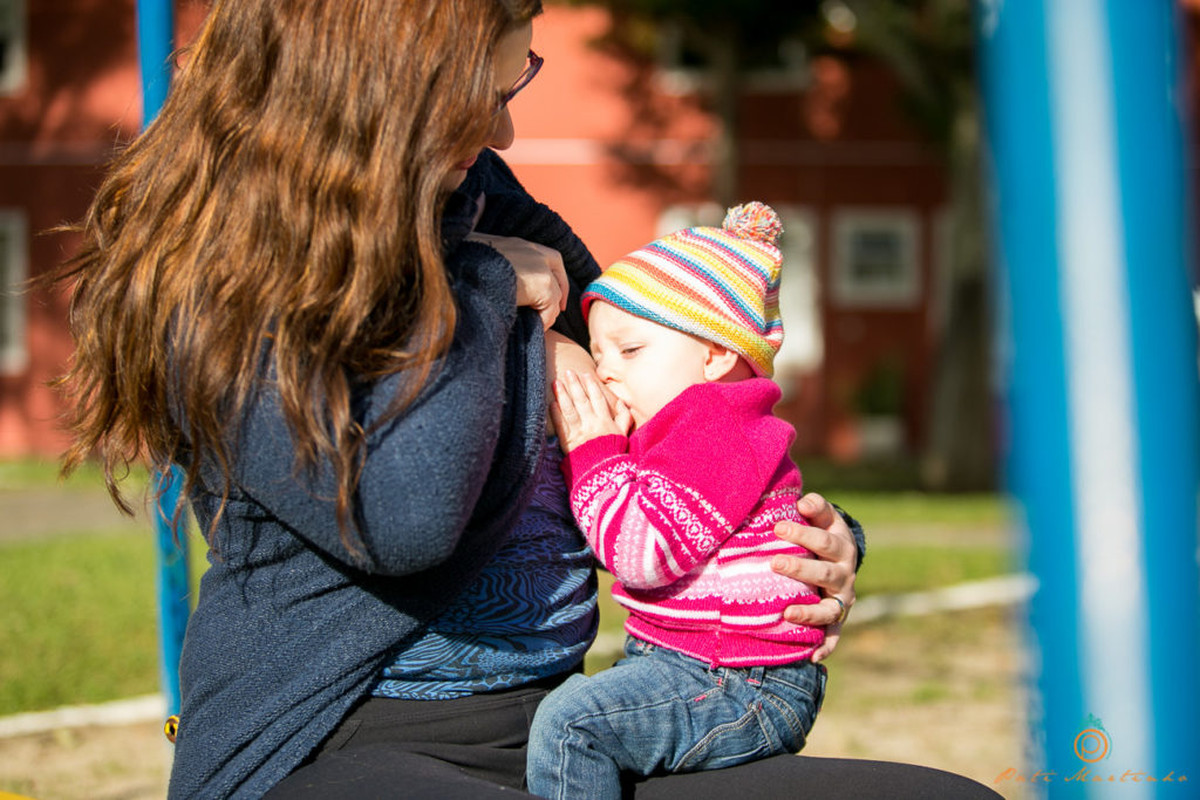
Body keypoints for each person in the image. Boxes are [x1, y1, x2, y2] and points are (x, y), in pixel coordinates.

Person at [49, 0, 998, 797]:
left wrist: (813, 540)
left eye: (516, 87)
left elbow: (674, 392)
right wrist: (476, 283)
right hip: (336, 741)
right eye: (487, 97)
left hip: (560, 724)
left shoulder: (478, 194)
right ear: (380, 84)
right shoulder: (220, 276)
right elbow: (405, 519)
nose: (504, 131)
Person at [526, 203, 827, 799]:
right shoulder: (682, 430)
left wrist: (592, 450)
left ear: (715, 355)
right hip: (697, 665)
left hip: (740, 682)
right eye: (600, 353)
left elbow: (641, 553)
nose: (606, 373)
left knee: (570, 726)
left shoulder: (718, 427)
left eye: (630, 351)